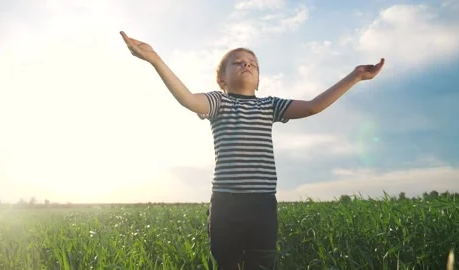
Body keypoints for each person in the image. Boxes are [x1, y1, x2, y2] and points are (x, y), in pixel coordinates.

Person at [120, 31, 384, 269]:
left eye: (252, 64)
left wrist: (356, 76)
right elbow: (189, 100)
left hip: (262, 203)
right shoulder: (218, 101)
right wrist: (155, 59)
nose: (246, 64)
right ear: (222, 78)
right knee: (227, 263)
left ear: (258, 81)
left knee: (261, 263)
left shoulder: (269, 105)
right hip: (226, 203)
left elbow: (314, 106)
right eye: (237, 62)